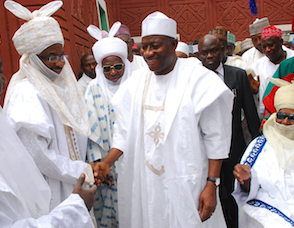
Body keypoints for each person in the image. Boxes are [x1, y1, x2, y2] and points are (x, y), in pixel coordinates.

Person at [93, 11, 234, 228]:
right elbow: (123, 133)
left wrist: (212, 184)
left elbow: (216, 138)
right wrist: (107, 163)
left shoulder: (199, 80)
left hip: (189, 178)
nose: (148, 52)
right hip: (146, 182)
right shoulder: (135, 83)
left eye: (155, 46)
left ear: (173, 44)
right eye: (144, 46)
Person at [3, 0, 94, 211]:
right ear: (33, 58)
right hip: (51, 191)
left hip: (73, 182)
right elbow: (38, 155)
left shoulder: (57, 85)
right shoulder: (26, 92)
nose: (60, 63)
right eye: (51, 57)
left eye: (61, 55)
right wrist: (81, 170)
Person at [233, 78, 294, 227]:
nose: (285, 122)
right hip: (271, 216)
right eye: (281, 116)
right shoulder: (260, 146)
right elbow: (248, 191)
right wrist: (247, 180)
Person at [198, 34, 260, 228]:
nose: (209, 56)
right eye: (204, 53)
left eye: (214, 51)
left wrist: (258, 145)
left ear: (224, 50)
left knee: (234, 191)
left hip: (234, 146)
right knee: (211, 191)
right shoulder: (194, 79)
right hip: (204, 150)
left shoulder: (237, 75)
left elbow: (250, 112)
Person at [85, 23, 132, 228]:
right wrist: (99, 166)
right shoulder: (93, 89)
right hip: (106, 167)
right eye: (107, 68)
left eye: (118, 66)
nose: (113, 72)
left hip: (134, 163)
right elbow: (90, 132)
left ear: (125, 64)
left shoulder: (136, 85)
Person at [252, 25, 294, 119]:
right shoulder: (258, 65)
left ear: (280, 42)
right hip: (269, 114)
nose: (268, 50)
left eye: (271, 45)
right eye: (264, 47)